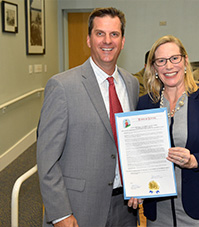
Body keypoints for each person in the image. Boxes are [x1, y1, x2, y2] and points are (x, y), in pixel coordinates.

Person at [36, 7, 140, 227]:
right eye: (100, 33)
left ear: (123, 41)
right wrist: (60, 213)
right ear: (88, 39)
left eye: (114, 34)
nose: (107, 41)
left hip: (126, 207)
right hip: (80, 207)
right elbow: (47, 159)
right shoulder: (62, 86)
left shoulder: (131, 83)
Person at [137, 35, 199, 226]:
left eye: (174, 58)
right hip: (159, 213)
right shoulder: (145, 103)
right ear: (154, 68)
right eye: (161, 61)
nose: (169, 66)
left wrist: (194, 161)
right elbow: (140, 155)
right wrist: (137, 187)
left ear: (185, 61)